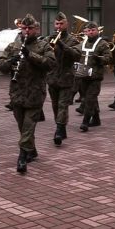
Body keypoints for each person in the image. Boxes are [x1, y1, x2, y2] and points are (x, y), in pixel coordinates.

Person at [0, 14, 55, 173]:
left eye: (30, 28)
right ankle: (32, 150)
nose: (27, 31)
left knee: (28, 127)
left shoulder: (44, 45)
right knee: (23, 127)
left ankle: (22, 158)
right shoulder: (13, 45)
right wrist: (10, 61)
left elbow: (50, 64)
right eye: (24, 28)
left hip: (35, 94)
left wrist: (31, 55)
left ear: (37, 29)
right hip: (17, 93)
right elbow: (0, 65)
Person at [45, 12, 81, 145]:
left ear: (67, 24)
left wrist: (62, 45)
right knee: (55, 105)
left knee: (62, 105)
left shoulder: (73, 40)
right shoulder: (49, 39)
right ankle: (62, 127)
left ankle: (59, 130)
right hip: (52, 77)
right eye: (57, 24)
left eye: (61, 24)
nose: (59, 26)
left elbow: (77, 55)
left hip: (66, 78)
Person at [75, 22, 110, 131]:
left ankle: (85, 122)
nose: (90, 32)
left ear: (97, 31)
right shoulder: (82, 42)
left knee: (90, 99)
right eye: (89, 30)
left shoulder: (103, 44)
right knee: (88, 98)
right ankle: (96, 119)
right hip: (83, 75)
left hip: (95, 77)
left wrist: (99, 59)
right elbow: (75, 51)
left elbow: (108, 58)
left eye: (93, 30)